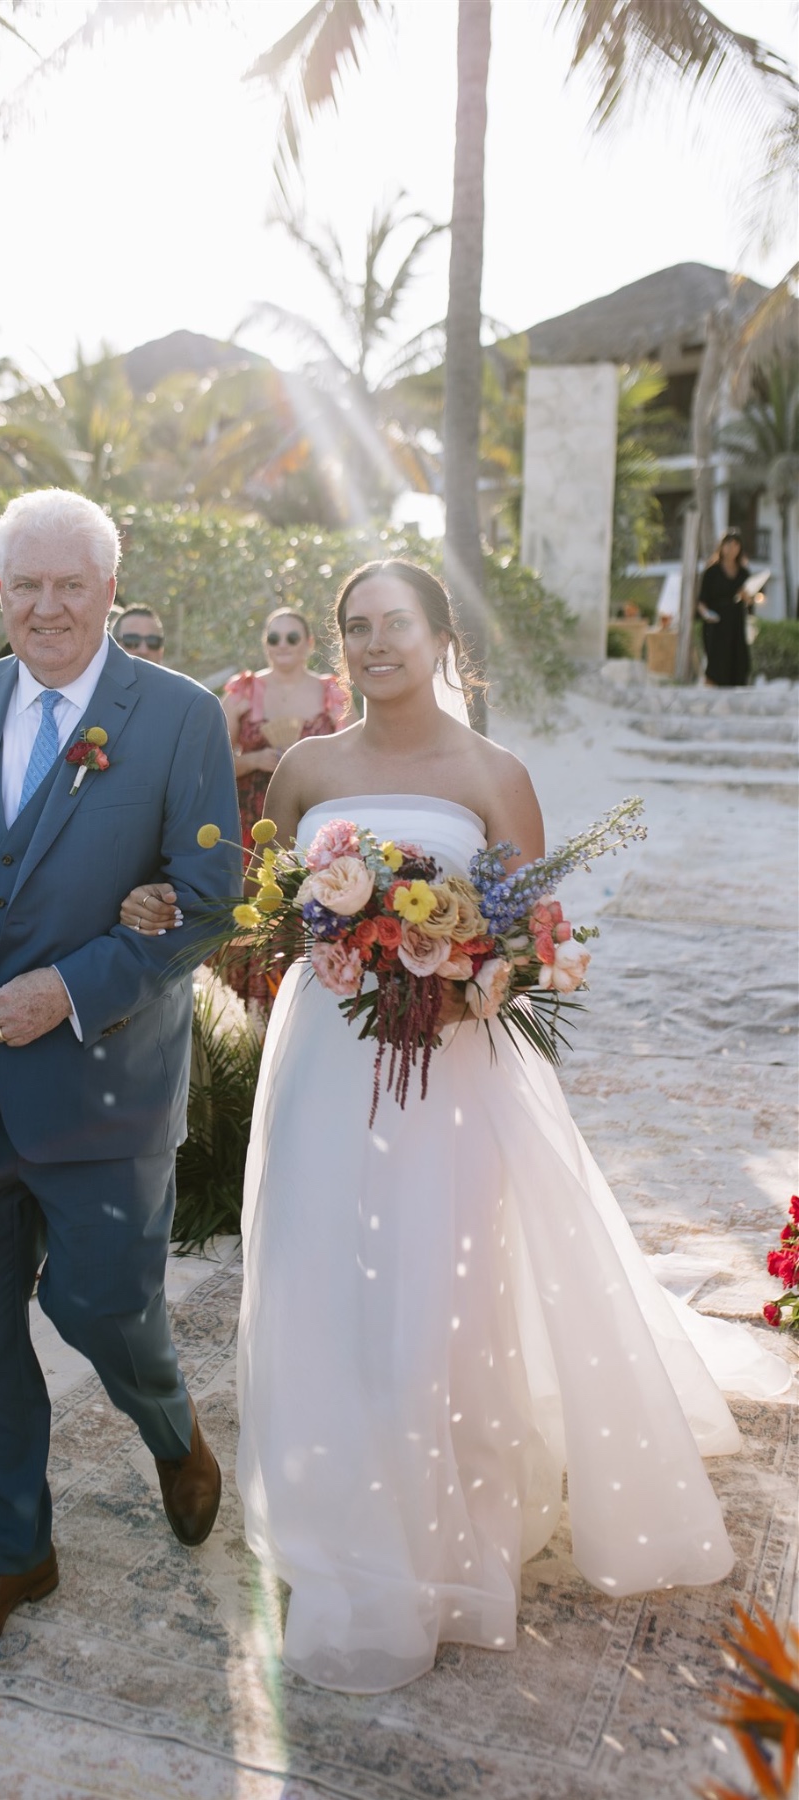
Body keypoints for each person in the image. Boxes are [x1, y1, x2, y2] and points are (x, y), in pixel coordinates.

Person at [135, 557, 789, 1695]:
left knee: (438, 1288)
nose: (373, 644)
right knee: (320, 1276)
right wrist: (278, 930)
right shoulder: (304, 768)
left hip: (452, 1070)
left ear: (442, 638)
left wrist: (465, 976)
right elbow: (265, 905)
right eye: (356, 628)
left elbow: (536, 937)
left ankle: (441, 1534)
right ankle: (339, 1514)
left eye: (394, 624)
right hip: (326, 1061)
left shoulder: (493, 771)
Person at [0, 487, 240, 1662]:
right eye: (24, 584)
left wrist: (72, 988)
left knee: (97, 1303)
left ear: (109, 590)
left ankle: (172, 1429)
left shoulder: (179, 717)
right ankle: (13, 1551)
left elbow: (208, 902)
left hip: (103, 1085)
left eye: (70, 584)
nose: (46, 606)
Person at [223, 608, 353, 1016]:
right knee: (257, 906)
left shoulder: (330, 693)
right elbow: (214, 759)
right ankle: (251, 1015)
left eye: (292, 638)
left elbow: (355, 753)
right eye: (274, 638)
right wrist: (257, 758)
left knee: (307, 901)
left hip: (313, 816)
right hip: (252, 818)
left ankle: (311, 1002)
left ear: (309, 644)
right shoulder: (244, 692)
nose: (282, 646)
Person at [697, 531, 753, 687]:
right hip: (716, 623)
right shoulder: (711, 572)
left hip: (736, 622)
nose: (731, 548)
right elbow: (701, 601)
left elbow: (750, 601)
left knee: (739, 660)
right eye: (728, 544)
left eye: (736, 544)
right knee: (716, 663)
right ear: (721, 547)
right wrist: (707, 615)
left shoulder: (744, 573)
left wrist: (747, 598)